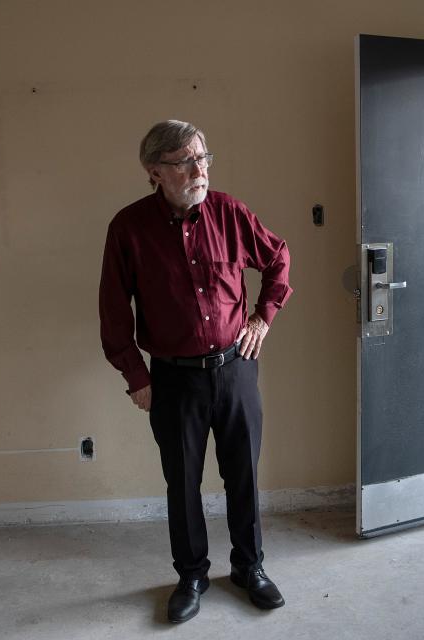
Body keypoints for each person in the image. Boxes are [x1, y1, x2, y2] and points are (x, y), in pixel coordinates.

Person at [99, 120, 293, 623]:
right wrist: (135, 376)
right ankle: (191, 574)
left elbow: (278, 258)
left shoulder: (229, 212)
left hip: (235, 368)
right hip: (173, 378)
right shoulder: (129, 228)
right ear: (155, 172)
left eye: (203, 157)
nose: (200, 169)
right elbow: (114, 309)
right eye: (187, 161)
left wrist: (262, 319)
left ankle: (250, 568)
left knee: (243, 474)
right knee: (182, 482)